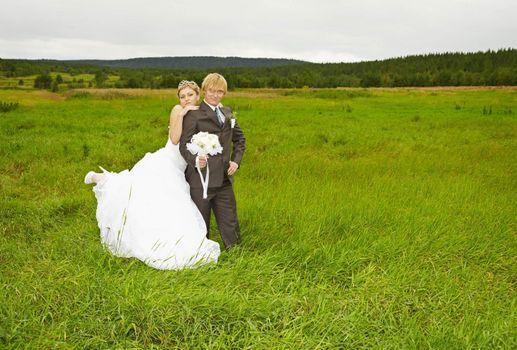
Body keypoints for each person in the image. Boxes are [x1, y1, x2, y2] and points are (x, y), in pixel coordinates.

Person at [84, 80, 220, 270]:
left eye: (190, 95)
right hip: (167, 161)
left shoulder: (202, 111)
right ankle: (104, 180)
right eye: (182, 96)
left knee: (159, 199)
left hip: (182, 166)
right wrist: (182, 114)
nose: (186, 99)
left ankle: (105, 179)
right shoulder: (177, 110)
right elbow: (174, 139)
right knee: (140, 191)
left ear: (198, 95)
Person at [179, 73, 245, 249]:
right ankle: (201, 257)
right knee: (201, 223)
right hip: (200, 180)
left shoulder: (228, 112)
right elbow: (183, 145)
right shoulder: (194, 115)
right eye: (211, 91)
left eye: (220, 92)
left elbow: (240, 139)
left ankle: (237, 255)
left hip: (224, 179)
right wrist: (195, 160)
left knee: (230, 219)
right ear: (204, 91)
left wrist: (236, 161)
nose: (216, 95)